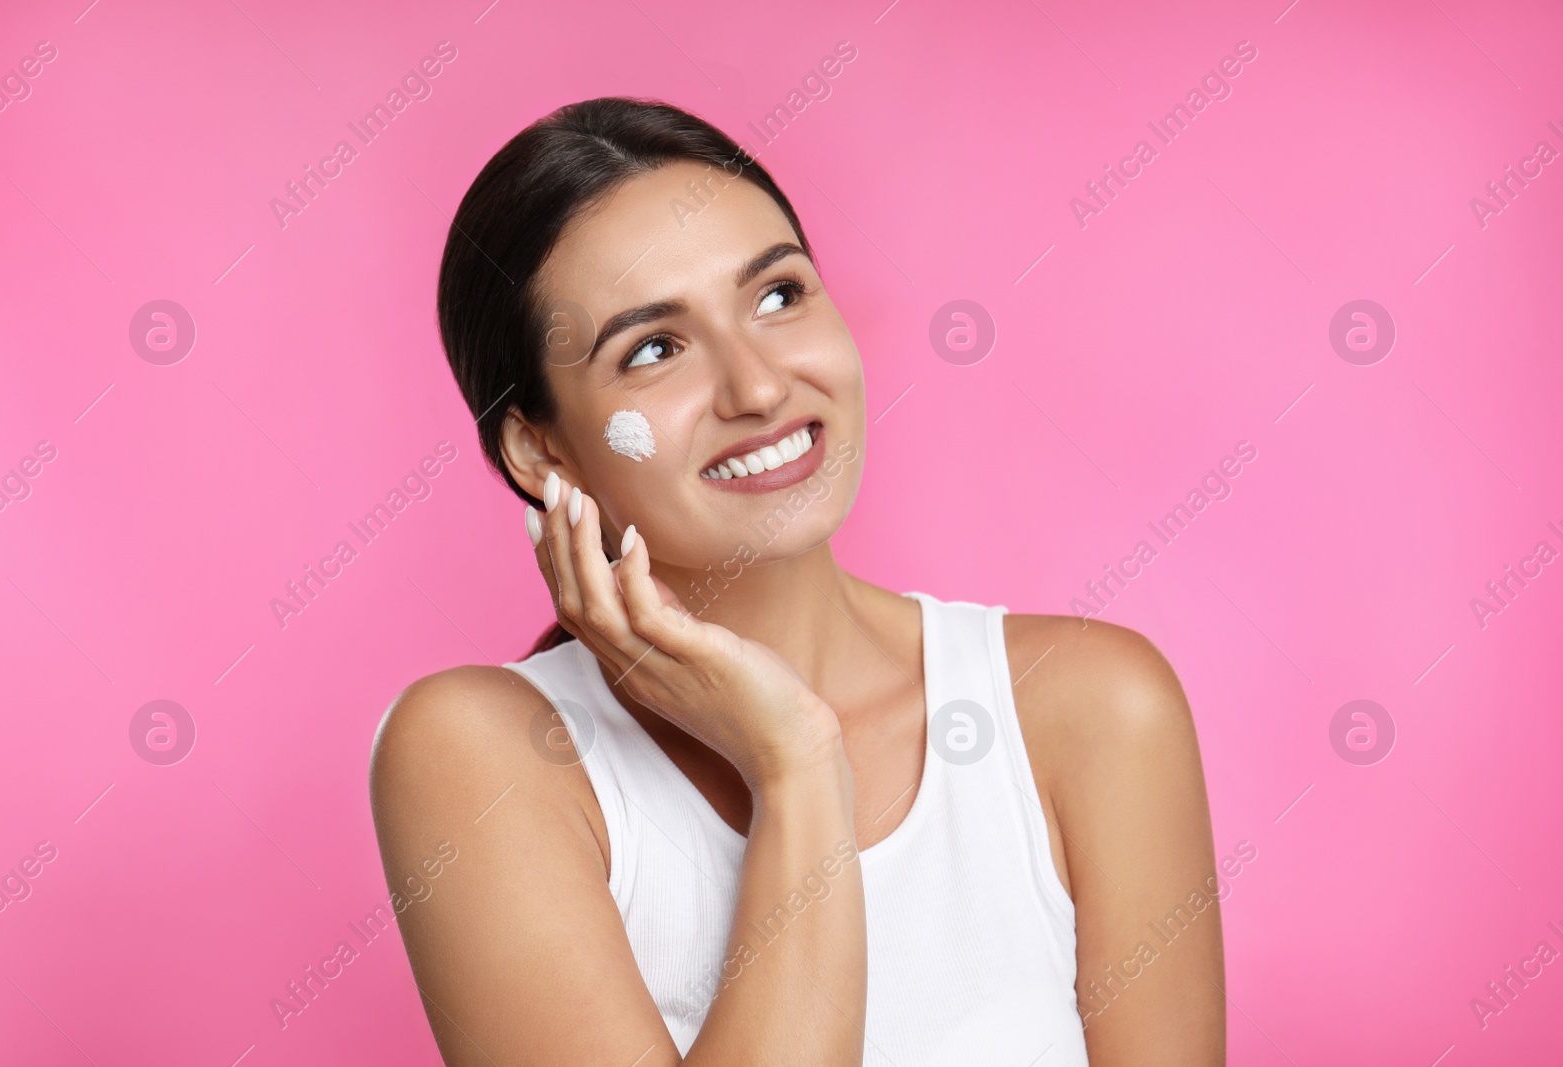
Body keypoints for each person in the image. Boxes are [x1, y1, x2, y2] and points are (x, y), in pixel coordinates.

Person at [369, 96, 1225, 1066]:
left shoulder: (1091, 706)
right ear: (539, 448)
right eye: (654, 348)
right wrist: (797, 762)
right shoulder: (485, 753)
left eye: (777, 296)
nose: (760, 386)